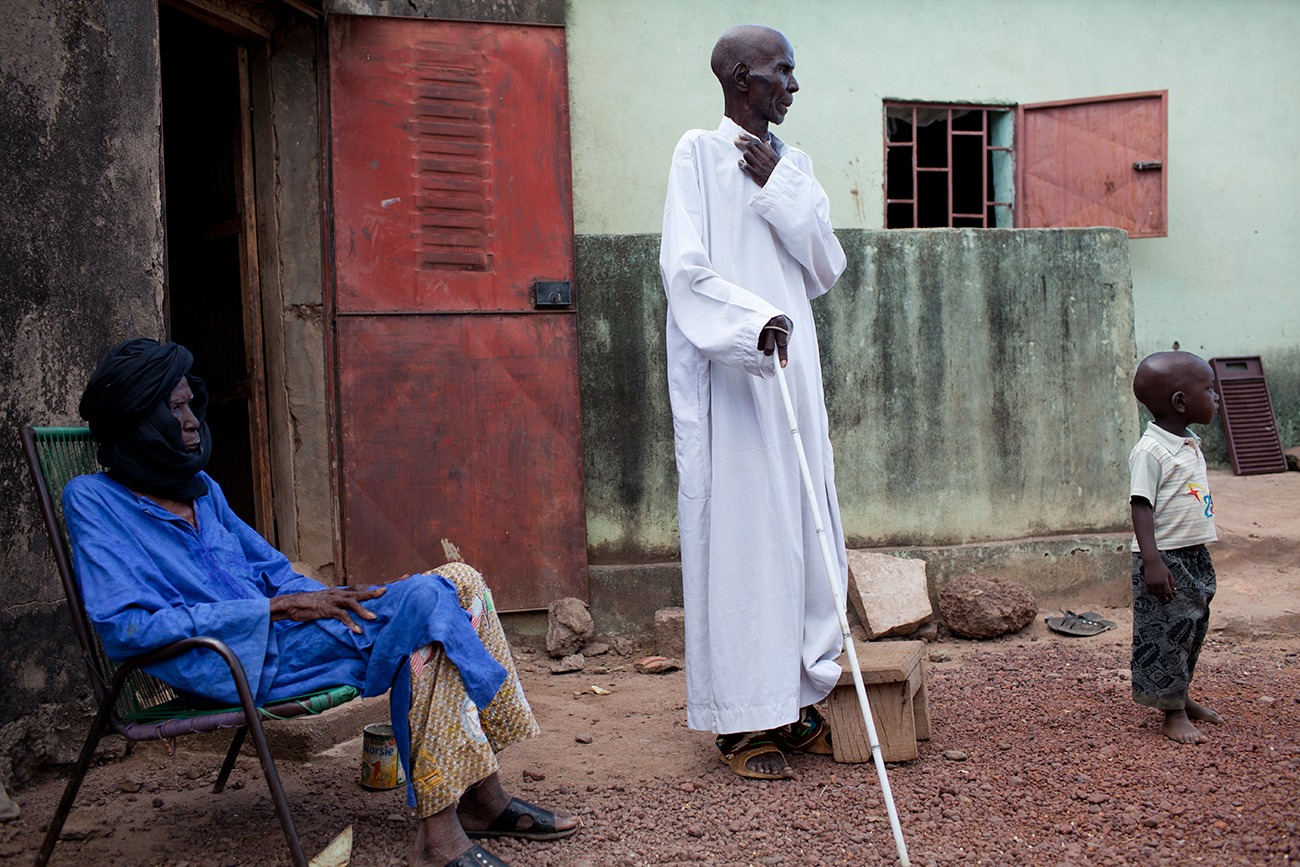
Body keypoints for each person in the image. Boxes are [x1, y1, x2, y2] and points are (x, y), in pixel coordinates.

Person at [64, 338, 579, 867]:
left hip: (288, 640)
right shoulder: (93, 499)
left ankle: (477, 804)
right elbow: (124, 627)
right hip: (226, 657)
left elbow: (272, 570)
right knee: (429, 605)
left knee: (461, 583)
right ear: (138, 418)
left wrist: (320, 597)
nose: (192, 419)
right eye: (175, 408)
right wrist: (271, 610)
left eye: (189, 404)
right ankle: (444, 833)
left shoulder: (199, 488)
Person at [658, 24, 848, 780]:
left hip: (793, 378)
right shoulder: (696, 155)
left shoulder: (792, 164)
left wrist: (778, 184)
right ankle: (742, 722)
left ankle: (797, 701)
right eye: (782, 72)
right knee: (743, 542)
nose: (793, 87)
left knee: (803, 533)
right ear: (742, 77)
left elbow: (826, 263)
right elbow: (685, 270)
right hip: (734, 382)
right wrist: (750, 323)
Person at [1128, 350, 1225, 745]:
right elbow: (1140, 505)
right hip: (1164, 558)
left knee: (1192, 627)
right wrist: (1152, 560)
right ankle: (1172, 714)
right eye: (1209, 389)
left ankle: (1180, 695)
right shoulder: (1150, 452)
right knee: (1165, 632)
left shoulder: (1187, 443)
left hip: (1192, 553)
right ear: (1180, 402)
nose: (1216, 397)